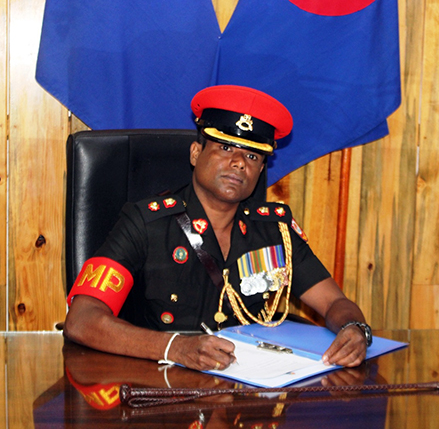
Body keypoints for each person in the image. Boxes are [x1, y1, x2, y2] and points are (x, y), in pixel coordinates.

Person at [64, 85, 371, 372]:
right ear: (195, 153)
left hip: (251, 387)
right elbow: (81, 319)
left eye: (252, 155)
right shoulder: (145, 223)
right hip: (160, 383)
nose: (239, 163)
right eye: (225, 148)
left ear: (261, 169)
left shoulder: (276, 230)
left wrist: (355, 329)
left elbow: (334, 302)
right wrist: (175, 347)